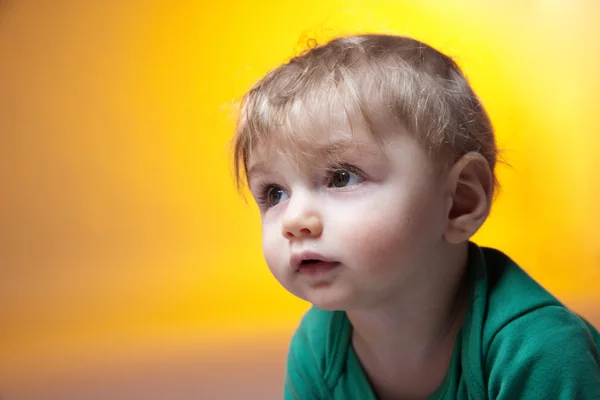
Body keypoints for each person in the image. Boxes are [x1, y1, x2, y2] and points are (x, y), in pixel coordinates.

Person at [231, 34, 600, 399]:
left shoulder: (536, 349)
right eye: (274, 193)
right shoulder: (319, 347)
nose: (294, 220)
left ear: (459, 201)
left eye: (341, 177)